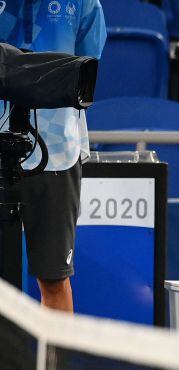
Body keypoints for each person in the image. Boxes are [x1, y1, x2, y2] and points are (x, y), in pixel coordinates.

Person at [0, 0, 106, 312]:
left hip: (57, 149)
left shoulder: (84, 3)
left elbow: (85, 68)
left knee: (54, 277)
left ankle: (56, 362)